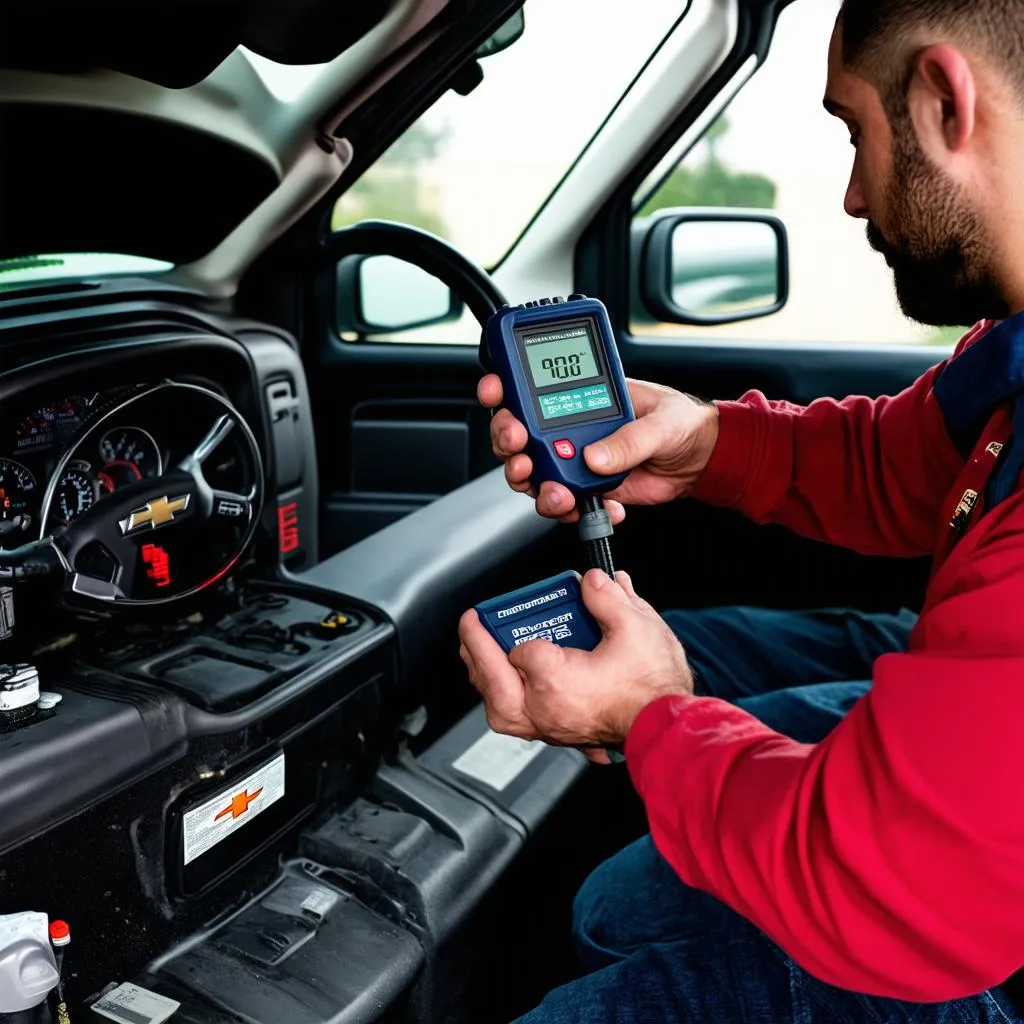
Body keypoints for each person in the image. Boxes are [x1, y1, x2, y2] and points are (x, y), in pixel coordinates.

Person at [457, 1, 1024, 1020]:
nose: (852, 195)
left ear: (945, 99)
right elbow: (908, 463)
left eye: (856, 133)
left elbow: (884, 884)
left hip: (939, 909)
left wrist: (648, 719)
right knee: (621, 897)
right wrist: (709, 442)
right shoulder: (1015, 346)